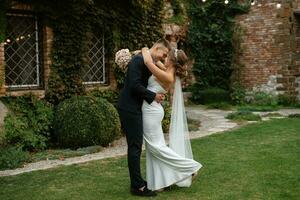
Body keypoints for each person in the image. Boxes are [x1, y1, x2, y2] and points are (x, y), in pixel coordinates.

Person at [141, 47, 202, 191]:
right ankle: (161, 182)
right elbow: (156, 63)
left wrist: (144, 49)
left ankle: (191, 167)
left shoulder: (168, 76)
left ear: (172, 61)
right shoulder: (167, 70)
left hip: (151, 111)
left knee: (155, 146)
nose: (164, 59)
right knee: (154, 147)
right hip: (152, 109)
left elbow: (149, 63)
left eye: (167, 57)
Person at [117, 39, 171, 197]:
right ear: (158, 47)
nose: (163, 57)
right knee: (134, 147)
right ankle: (137, 186)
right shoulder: (138, 60)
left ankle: (139, 182)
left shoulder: (147, 60)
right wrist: (153, 96)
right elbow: (134, 85)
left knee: (136, 146)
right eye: (164, 54)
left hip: (136, 108)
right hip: (128, 108)